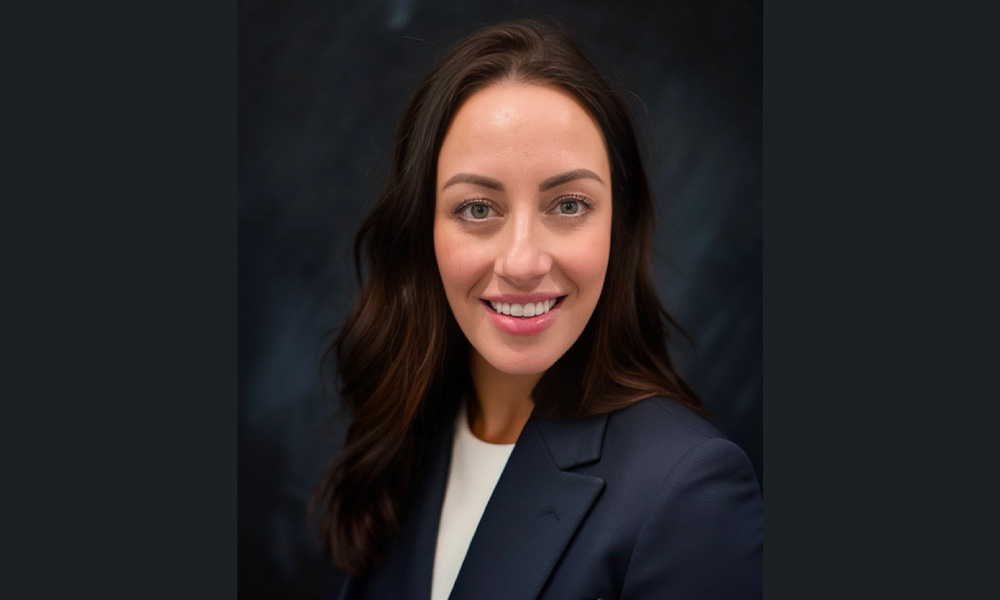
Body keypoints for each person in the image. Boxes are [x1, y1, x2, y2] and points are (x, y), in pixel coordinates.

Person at [311, 19, 763, 600]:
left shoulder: (688, 492)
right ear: (422, 229)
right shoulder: (400, 441)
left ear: (618, 228)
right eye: (477, 208)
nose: (522, 263)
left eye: (569, 204)